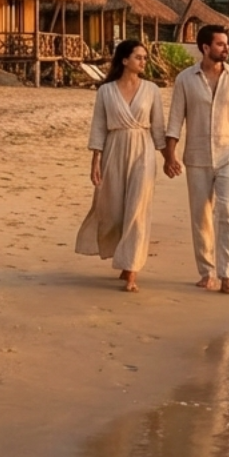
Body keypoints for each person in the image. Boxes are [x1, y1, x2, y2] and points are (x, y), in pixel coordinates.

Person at [164, 25, 229, 295]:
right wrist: (169, 155)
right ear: (205, 48)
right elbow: (174, 121)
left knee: (227, 213)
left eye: (226, 44)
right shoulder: (185, 79)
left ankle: (227, 274)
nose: (226, 48)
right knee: (201, 216)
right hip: (196, 157)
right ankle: (207, 272)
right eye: (219, 44)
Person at [76, 39, 167, 292]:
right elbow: (98, 127)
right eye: (138, 57)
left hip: (143, 149)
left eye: (145, 58)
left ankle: (131, 270)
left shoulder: (152, 90)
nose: (143, 61)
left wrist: (169, 157)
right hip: (114, 149)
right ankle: (122, 256)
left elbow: (158, 126)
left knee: (138, 210)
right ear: (124, 60)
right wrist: (95, 160)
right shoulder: (106, 91)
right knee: (114, 210)